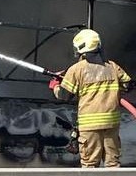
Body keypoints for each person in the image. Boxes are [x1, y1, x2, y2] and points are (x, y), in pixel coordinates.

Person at [50, 28, 131, 168]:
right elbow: (127, 84)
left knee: (90, 165)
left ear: (80, 47)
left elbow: (64, 95)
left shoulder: (77, 69)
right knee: (113, 164)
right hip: (111, 124)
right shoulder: (112, 67)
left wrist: (55, 84)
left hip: (90, 126)